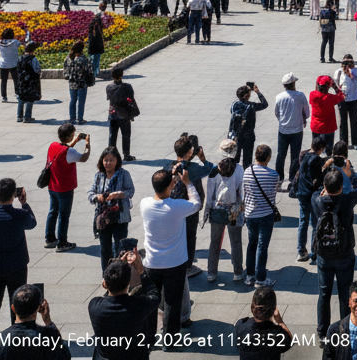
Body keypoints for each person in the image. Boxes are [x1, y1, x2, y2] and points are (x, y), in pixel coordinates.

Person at [140, 165, 200, 338]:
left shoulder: (145, 204)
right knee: (172, 301)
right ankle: (170, 338)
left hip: (152, 263)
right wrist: (187, 183)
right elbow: (196, 203)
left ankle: (149, 336)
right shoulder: (177, 206)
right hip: (175, 263)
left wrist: (170, 181)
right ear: (170, 186)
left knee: (152, 300)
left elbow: (160, 194)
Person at [312, 159, 357, 338]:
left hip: (324, 254)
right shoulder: (347, 200)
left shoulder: (317, 201)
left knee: (324, 293)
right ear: (341, 187)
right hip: (344, 252)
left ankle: (322, 331)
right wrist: (351, 174)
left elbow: (315, 192)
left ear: (325, 187)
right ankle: (344, 329)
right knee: (345, 293)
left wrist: (324, 171)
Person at [0, 179, 36, 340]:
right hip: (17, 266)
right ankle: (17, 336)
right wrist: (25, 204)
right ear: (14, 195)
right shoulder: (20, 215)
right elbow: (32, 223)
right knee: (19, 304)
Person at [87, 250, 161, 360]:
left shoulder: (94, 306)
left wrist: (116, 265)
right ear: (127, 284)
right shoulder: (138, 305)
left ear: (104, 284)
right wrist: (141, 271)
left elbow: (107, 296)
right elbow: (154, 295)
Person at [0, 284, 70, 360]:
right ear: (38, 308)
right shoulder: (47, 337)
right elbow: (65, 356)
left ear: (13, 308)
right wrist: (48, 321)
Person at [43, 123, 90, 251]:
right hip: (65, 188)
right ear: (69, 136)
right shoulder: (70, 152)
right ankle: (62, 242)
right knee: (64, 215)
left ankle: (50, 239)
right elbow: (83, 158)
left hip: (52, 186)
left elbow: (64, 149)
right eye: (73, 135)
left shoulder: (53, 146)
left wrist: (75, 141)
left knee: (53, 211)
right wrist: (87, 146)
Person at [87, 146, 135, 272]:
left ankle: (120, 275)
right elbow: (90, 193)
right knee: (105, 249)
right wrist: (97, 197)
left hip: (120, 217)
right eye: (105, 160)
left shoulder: (124, 174)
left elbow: (131, 191)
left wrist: (120, 194)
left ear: (117, 161)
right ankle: (107, 276)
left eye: (111, 160)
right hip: (104, 218)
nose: (108, 163)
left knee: (119, 249)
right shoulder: (99, 176)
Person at [203, 150, 245, 283]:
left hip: (217, 210)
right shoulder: (239, 169)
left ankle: (211, 272)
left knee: (214, 242)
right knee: (236, 242)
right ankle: (238, 272)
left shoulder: (215, 170)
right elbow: (243, 192)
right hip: (234, 210)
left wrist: (205, 214)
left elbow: (209, 195)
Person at [242, 143, 279, 288]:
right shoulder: (274, 175)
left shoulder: (247, 172)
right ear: (268, 158)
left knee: (252, 243)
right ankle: (261, 278)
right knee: (262, 246)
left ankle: (249, 275)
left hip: (250, 213)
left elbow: (245, 191)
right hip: (266, 214)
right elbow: (273, 194)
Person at [234, 286, 294, 360]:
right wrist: (280, 322)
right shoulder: (277, 334)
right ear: (273, 310)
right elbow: (290, 341)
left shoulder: (241, 325)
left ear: (252, 307)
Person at [274, 73, 310, 190]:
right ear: (293, 84)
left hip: (283, 130)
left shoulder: (279, 97)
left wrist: (283, 121)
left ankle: (279, 178)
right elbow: (307, 112)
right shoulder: (300, 96)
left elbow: (277, 113)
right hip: (297, 130)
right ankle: (292, 179)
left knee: (281, 155)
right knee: (295, 156)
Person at [229, 83, 270, 169]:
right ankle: (246, 175)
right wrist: (258, 92)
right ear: (247, 95)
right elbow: (264, 104)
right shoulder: (251, 106)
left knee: (234, 159)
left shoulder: (234, 105)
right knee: (247, 161)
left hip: (235, 136)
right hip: (248, 136)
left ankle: (234, 175)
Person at [106, 67, 138, 162]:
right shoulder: (127, 87)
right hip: (124, 114)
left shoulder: (109, 87)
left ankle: (111, 153)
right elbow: (130, 97)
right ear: (121, 76)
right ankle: (126, 154)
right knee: (126, 134)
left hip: (113, 114)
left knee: (112, 135)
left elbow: (109, 98)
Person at [310, 75, 342, 154]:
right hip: (328, 127)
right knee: (329, 150)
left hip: (316, 127)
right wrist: (335, 87)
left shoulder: (312, 95)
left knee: (315, 149)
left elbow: (316, 90)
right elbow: (341, 96)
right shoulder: (330, 98)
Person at [334, 57, 357, 149]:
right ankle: (344, 142)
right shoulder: (339, 71)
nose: (347, 65)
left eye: (349, 62)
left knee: (354, 121)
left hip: (353, 98)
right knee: (343, 121)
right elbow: (336, 82)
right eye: (345, 62)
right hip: (343, 100)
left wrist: (351, 72)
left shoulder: (356, 70)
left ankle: (355, 142)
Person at [15, 42, 42, 123]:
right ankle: (27, 116)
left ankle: (19, 116)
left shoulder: (20, 58)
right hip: (31, 81)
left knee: (21, 98)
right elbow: (37, 69)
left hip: (21, 81)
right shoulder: (33, 58)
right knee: (30, 98)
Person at [0, 29, 20, 103]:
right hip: (13, 63)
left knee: (4, 81)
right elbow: (20, 44)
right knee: (16, 79)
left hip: (3, 64)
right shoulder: (15, 42)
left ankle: (4, 96)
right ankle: (18, 94)